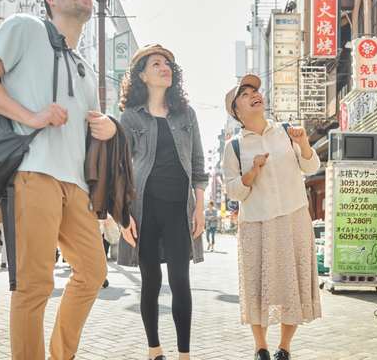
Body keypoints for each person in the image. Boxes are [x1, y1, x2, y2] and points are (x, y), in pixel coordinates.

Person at [0, 0, 116, 360]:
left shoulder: (85, 64)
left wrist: (108, 126)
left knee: (93, 273)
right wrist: (31, 116)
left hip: (76, 185)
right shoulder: (25, 28)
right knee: (34, 286)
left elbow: (90, 128)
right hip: (33, 172)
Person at [116, 44, 208, 360]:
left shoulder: (187, 114)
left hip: (178, 209)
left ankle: (184, 354)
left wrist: (200, 205)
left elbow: (197, 162)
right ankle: (154, 350)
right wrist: (123, 217)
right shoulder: (129, 117)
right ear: (142, 75)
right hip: (144, 209)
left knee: (181, 279)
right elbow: (121, 169)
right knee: (151, 280)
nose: (164, 67)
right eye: (156, 63)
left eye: (167, 63)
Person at [223, 74, 322, 360]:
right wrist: (252, 171)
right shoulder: (234, 147)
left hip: (294, 217)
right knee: (257, 287)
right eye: (245, 93)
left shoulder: (286, 130)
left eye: (255, 90)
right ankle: (260, 347)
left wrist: (303, 144)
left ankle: (284, 347)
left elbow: (310, 166)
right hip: (256, 223)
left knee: (294, 283)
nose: (254, 94)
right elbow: (233, 192)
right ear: (236, 112)